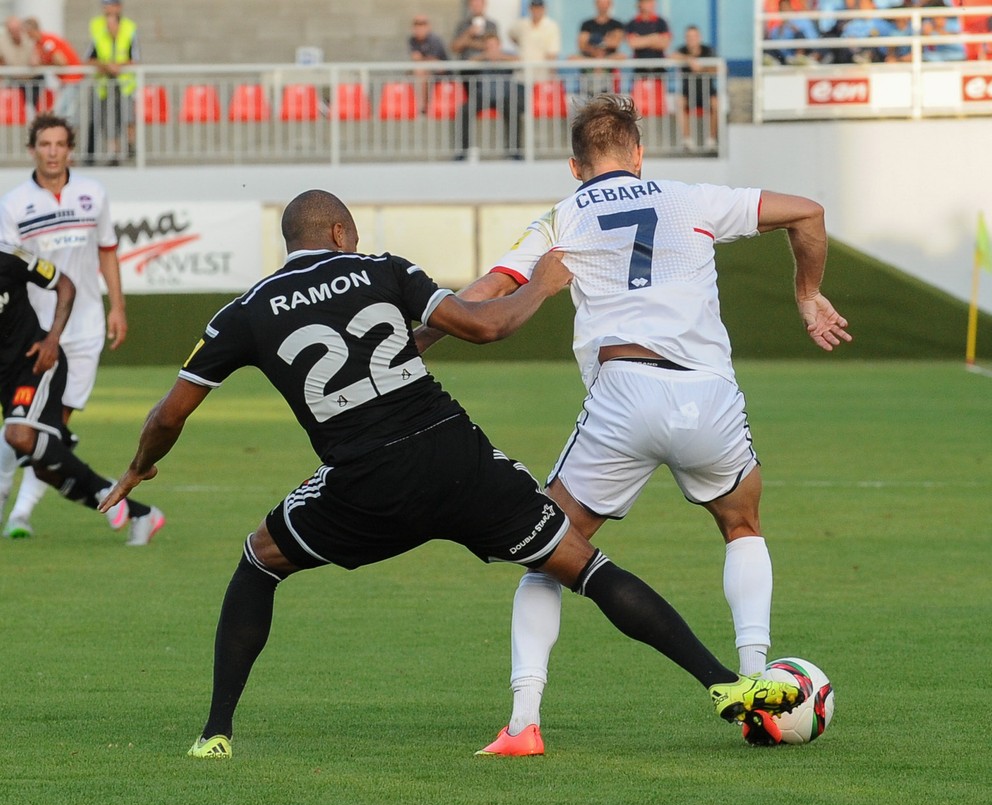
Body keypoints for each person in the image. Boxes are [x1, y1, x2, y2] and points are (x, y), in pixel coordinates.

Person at [98, 189, 805, 759]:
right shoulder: (383, 269)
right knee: (582, 565)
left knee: (259, 558)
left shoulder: (245, 312)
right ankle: (724, 683)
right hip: (457, 459)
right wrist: (543, 285)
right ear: (341, 232)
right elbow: (486, 325)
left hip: (364, 483)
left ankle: (216, 733)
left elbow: (169, 413)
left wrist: (138, 466)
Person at [416, 94, 851, 755]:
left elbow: (486, 292)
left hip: (624, 392)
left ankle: (523, 723)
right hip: (707, 394)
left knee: (547, 553)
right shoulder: (692, 198)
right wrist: (807, 293)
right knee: (741, 525)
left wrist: (417, 341)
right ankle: (757, 682)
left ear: (575, 166)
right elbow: (808, 213)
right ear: (639, 155)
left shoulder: (561, 218)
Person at [0, 114, 136, 540]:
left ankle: (21, 513)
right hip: (36, 334)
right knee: (31, 430)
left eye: (60, 144)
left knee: (50, 428)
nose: (53, 152)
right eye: (45, 144)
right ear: (32, 150)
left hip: (85, 327)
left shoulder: (93, 194)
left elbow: (108, 251)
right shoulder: (14, 204)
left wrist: (117, 307)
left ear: (70, 150)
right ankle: (25, 511)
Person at [0, 242, 163, 545]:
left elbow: (65, 284)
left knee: (18, 436)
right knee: (45, 469)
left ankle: (104, 489)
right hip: (6, 378)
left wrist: (52, 339)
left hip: (35, 362)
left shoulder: (8, 258)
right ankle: (140, 514)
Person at [85, 0, 140, 165]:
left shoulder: (129, 28)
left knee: (127, 117)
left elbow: (135, 58)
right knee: (109, 120)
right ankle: (113, 152)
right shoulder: (97, 27)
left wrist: (118, 66)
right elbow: (89, 58)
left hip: (124, 84)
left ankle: (131, 146)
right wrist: (106, 66)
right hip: (104, 84)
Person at [456, 32, 524, 161]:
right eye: (488, 45)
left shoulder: (507, 54)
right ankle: (463, 151)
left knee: (514, 112)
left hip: (504, 96)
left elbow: (519, 60)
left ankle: (515, 151)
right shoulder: (481, 56)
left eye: (493, 45)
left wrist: (500, 57)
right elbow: (467, 63)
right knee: (464, 111)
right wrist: (484, 56)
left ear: (499, 45)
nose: (491, 48)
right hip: (483, 96)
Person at [22, 17, 84, 124]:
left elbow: (61, 61)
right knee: (62, 112)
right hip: (65, 81)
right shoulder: (39, 44)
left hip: (72, 79)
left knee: (60, 112)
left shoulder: (47, 42)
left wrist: (45, 64)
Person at [671, 25, 719, 149]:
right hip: (688, 92)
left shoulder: (708, 51)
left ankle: (712, 139)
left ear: (699, 37)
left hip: (707, 91)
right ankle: (687, 140)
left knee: (716, 104)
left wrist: (702, 68)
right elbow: (672, 56)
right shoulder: (682, 50)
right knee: (679, 103)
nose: (691, 39)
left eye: (694, 36)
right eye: (689, 36)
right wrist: (689, 59)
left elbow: (719, 67)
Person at [508, 0, 562, 80]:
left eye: (539, 8)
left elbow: (552, 53)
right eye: (534, 8)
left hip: (541, 76)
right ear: (530, 9)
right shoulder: (522, 24)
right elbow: (511, 34)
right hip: (522, 74)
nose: (537, 11)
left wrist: (552, 74)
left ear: (544, 9)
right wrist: (520, 44)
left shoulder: (551, 26)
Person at [0, 16, 44, 112]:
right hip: (15, 80)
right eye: (12, 30)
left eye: (17, 29)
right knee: (16, 110)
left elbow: (41, 53)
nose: (15, 32)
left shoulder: (30, 37)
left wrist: (37, 59)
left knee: (36, 108)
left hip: (34, 79)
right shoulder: (2, 42)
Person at [408, 14, 448, 113]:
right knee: (416, 71)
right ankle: (419, 107)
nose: (419, 28)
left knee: (420, 70)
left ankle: (423, 107)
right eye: (417, 24)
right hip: (427, 73)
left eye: (423, 24)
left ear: (428, 26)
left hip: (443, 74)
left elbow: (434, 60)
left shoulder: (434, 39)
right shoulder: (412, 40)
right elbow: (415, 58)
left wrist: (422, 59)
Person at [624, 0, 671, 70]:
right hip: (639, 68)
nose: (651, 4)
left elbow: (665, 44)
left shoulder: (661, 22)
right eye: (648, 2)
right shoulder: (632, 23)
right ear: (640, 4)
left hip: (659, 68)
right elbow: (632, 43)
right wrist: (655, 37)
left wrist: (640, 40)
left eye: (652, 2)